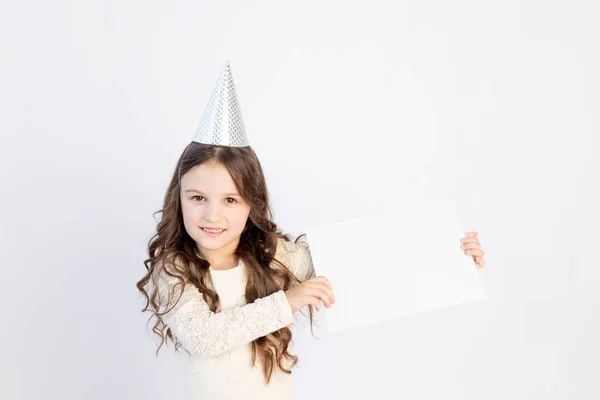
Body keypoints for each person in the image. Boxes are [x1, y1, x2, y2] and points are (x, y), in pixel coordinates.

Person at [136, 61, 486, 400]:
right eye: (198, 197)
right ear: (178, 197)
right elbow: (203, 337)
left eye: (230, 199)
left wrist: (449, 253)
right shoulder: (175, 269)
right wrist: (288, 301)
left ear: (252, 204)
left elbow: (363, 261)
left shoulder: (273, 255)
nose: (212, 215)